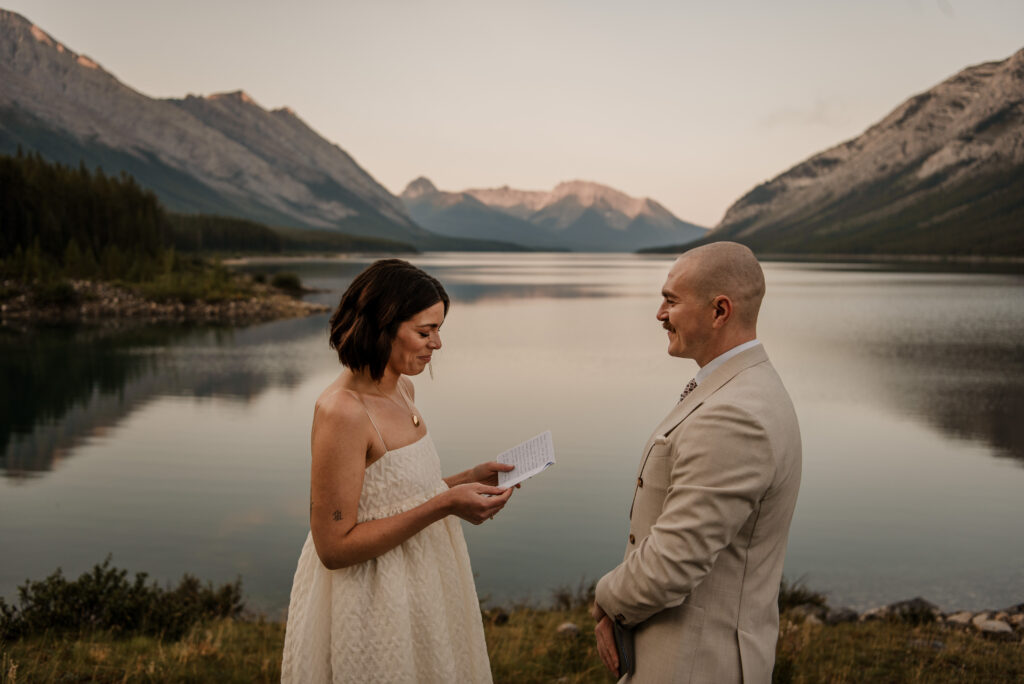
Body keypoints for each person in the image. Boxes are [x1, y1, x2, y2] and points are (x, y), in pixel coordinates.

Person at [281, 259, 513, 683]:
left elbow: (394, 494)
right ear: (382, 325)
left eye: (438, 330)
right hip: (372, 597)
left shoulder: (402, 388)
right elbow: (333, 547)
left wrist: (467, 480)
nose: (437, 344)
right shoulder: (343, 412)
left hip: (424, 581)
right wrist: (444, 504)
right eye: (425, 332)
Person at [591, 242, 802, 683]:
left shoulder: (735, 414)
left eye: (671, 300)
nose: (659, 314)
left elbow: (673, 563)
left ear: (719, 310)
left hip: (695, 663)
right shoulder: (746, 385)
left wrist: (606, 597)